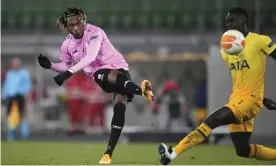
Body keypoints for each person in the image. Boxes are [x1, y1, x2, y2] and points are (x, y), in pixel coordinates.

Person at [158, 7, 276, 165]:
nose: (228, 24)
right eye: (227, 21)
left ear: (244, 21)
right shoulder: (227, 50)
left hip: (249, 101)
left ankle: (171, 154)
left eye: (232, 20)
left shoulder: (260, 41)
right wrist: (264, 99)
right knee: (242, 150)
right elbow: (244, 79)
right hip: (238, 99)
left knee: (211, 120)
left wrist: (257, 99)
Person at [37, 6, 154, 164]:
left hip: (120, 67)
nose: (76, 27)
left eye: (78, 23)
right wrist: (50, 65)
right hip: (100, 73)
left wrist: (69, 73)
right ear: (66, 26)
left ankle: (108, 154)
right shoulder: (67, 45)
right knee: (106, 75)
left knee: (119, 105)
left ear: (83, 20)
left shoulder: (95, 32)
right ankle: (142, 91)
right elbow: (66, 65)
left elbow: (91, 56)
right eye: (71, 25)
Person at [1, 57, 32, 141]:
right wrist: (3, 96)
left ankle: (24, 135)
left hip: (20, 96)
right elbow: (6, 86)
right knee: (10, 116)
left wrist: (25, 94)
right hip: (10, 97)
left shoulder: (24, 73)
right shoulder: (9, 73)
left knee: (22, 115)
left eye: (16, 63)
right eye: (14, 63)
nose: (15, 65)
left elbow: (27, 85)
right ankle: (10, 136)